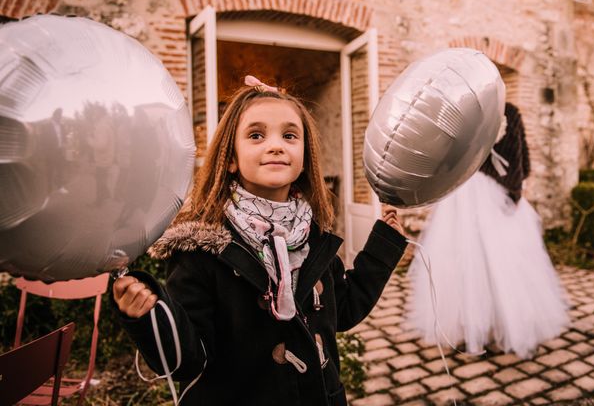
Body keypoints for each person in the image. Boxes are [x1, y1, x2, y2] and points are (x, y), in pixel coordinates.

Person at [112, 76, 407, 406]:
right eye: (256, 135)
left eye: (289, 135)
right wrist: (149, 317)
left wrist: (383, 245)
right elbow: (189, 359)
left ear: (305, 155)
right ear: (232, 159)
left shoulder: (311, 234)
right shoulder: (203, 249)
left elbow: (345, 309)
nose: (276, 145)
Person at [408, 102, 569, 359]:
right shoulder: (510, 111)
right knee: (506, 263)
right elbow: (522, 163)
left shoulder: (458, 111)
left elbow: (442, 159)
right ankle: (503, 326)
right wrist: (514, 192)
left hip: (459, 196)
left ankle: (466, 328)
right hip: (496, 195)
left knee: (461, 263)